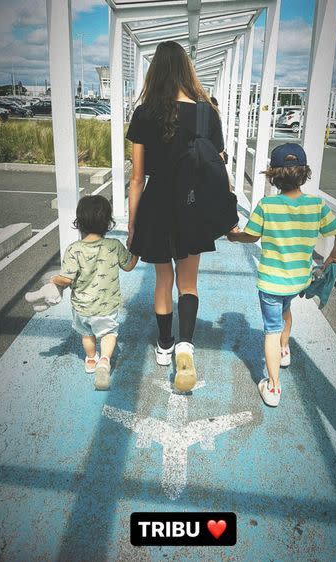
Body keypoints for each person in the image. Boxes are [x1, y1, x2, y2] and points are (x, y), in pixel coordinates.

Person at [126, 41, 226, 393]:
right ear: (186, 69)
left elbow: (137, 177)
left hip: (155, 205)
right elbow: (217, 161)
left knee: (162, 280)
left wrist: (133, 223)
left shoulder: (143, 114)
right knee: (189, 283)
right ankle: (186, 345)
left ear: (155, 71)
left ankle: (165, 345)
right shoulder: (206, 112)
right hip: (192, 205)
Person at [228, 143, 336, 407]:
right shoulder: (316, 206)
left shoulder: (267, 206)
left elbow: (252, 236)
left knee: (271, 329)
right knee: (286, 310)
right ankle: (285, 350)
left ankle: (273, 387)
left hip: (272, 282)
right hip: (297, 281)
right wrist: (334, 257)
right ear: (304, 173)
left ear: (273, 175)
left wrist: (235, 237)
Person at [50, 195, 138, 390]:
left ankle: (90, 360)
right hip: (107, 306)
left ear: (79, 221)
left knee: (86, 334)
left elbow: (66, 279)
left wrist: (53, 279)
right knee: (108, 334)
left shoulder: (73, 250)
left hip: (82, 307)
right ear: (107, 222)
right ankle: (105, 360)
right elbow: (130, 265)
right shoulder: (114, 246)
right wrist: (136, 249)